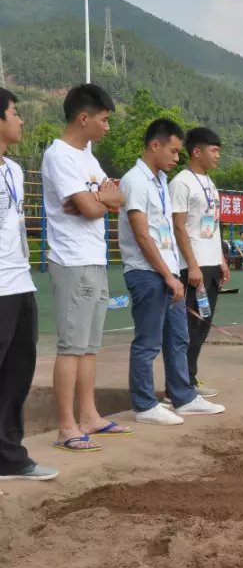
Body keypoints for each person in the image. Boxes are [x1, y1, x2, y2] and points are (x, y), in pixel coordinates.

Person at [41, 84, 132, 452]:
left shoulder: (87, 158)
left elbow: (118, 196)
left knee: (90, 346)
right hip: (72, 260)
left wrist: (95, 199)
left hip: (94, 258)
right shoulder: (59, 155)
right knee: (71, 346)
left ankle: (90, 415)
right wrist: (98, 200)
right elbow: (97, 208)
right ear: (83, 118)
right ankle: (66, 426)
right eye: (104, 120)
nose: (107, 126)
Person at [119, 119, 225, 425]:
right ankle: (144, 405)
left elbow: (163, 230)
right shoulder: (135, 181)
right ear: (155, 145)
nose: (177, 158)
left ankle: (183, 397)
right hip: (147, 272)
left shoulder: (160, 181)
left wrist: (172, 273)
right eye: (174, 151)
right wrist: (167, 274)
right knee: (148, 342)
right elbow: (142, 235)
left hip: (168, 271)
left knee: (178, 337)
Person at [0, 87, 58, 481]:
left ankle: (9, 456)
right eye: (14, 113)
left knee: (18, 373)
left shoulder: (14, 171)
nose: (21, 120)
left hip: (20, 283)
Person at [171, 127, 230, 399]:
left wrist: (221, 260)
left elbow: (213, 226)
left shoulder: (209, 183)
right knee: (189, 326)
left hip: (211, 264)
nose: (218, 156)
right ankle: (178, 385)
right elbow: (179, 227)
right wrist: (192, 265)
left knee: (203, 323)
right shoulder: (181, 183)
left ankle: (190, 378)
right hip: (192, 267)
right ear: (196, 151)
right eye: (214, 151)